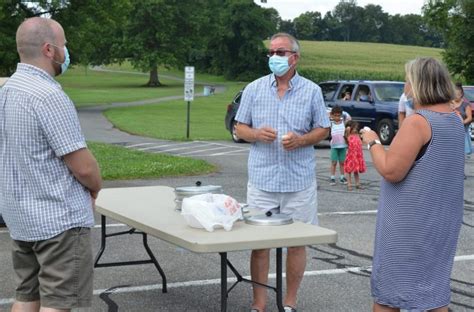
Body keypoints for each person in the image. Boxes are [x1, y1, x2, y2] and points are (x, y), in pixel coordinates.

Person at [0, 17, 102, 312]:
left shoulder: (6, 92)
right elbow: (83, 167)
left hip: (20, 219)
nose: (67, 50)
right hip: (58, 220)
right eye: (64, 44)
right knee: (57, 303)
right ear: (49, 49)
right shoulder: (49, 96)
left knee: (27, 296)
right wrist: (95, 187)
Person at [234, 32, 330, 312]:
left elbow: (323, 129)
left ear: (294, 57)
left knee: (297, 244)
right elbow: (239, 128)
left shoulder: (311, 90)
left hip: (298, 181)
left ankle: (289, 302)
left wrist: (301, 140)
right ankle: (259, 304)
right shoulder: (253, 89)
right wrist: (255, 133)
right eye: (271, 53)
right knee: (260, 245)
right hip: (263, 180)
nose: (274, 57)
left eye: (280, 52)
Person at [361, 57, 464, 312]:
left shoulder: (418, 121)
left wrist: (373, 142)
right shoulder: (454, 119)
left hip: (409, 224)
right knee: (433, 292)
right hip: (440, 219)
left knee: (389, 296)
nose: (405, 85)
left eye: (408, 79)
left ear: (419, 84)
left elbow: (391, 170)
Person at [451, 82, 472, 160]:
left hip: (462, 131)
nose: (456, 96)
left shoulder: (465, 105)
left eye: (458, 95)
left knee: (462, 154)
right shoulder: (450, 103)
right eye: (455, 94)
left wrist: (462, 122)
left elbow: (469, 118)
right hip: (452, 131)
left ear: (461, 94)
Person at [343, 121, 366, 191]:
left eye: (356, 128)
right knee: (349, 171)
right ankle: (349, 184)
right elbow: (346, 135)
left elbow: (363, 141)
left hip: (357, 156)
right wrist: (348, 129)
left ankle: (357, 184)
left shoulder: (358, 136)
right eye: (353, 128)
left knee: (356, 171)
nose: (355, 130)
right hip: (351, 156)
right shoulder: (349, 136)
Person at [329, 106, 348, 185]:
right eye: (335, 115)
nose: (337, 117)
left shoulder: (344, 122)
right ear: (332, 115)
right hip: (334, 146)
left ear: (341, 115)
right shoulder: (331, 123)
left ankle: (342, 177)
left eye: (339, 115)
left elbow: (347, 116)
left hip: (343, 146)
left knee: (342, 162)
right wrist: (330, 115)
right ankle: (332, 177)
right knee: (334, 162)